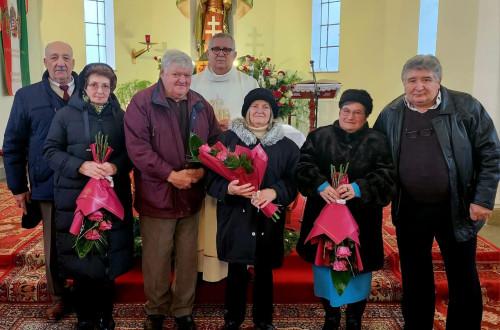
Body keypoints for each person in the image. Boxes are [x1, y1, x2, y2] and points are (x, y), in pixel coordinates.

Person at [374, 55, 500, 330]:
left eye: (426, 79)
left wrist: (483, 198)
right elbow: (378, 159)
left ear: (439, 81)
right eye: (412, 80)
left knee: (462, 275)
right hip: (410, 208)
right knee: (415, 275)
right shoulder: (391, 114)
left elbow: (491, 153)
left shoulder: (466, 107)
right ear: (404, 83)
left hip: (457, 206)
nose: (418, 86)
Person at [124, 49, 221, 330]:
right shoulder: (142, 103)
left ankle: (182, 310)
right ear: (162, 74)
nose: (182, 80)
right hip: (157, 195)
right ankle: (155, 310)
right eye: (176, 74)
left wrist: (203, 170)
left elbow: (215, 142)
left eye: (187, 75)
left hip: (191, 194)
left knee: (188, 257)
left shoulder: (200, 104)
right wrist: (169, 175)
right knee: (157, 257)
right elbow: (138, 149)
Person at [43, 63, 134, 330]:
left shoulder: (121, 116)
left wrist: (115, 166)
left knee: (106, 257)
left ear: (111, 89)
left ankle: (106, 315)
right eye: (94, 84)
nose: (100, 90)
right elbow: (50, 151)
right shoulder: (65, 115)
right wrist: (80, 166)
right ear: (84, 86)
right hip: (76, 196)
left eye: (105, 86)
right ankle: (85, 317)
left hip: (111, 195)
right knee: (83, 258)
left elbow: (131, 153)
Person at [295, 89, 396, 330]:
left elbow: (387, 175)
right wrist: (320, 185)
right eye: (346, 110)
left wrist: (360, 188)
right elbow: (302, 166)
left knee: (358, 269)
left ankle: (354, 317)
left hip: (362, 218)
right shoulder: (320, 136)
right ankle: (330, 316)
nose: (350, 116)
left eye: (357, 112)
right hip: (323, 216)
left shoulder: (378, 141)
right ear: (339, 111)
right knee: (325, 266)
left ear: (366, 116)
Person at [207, 88, 300, 330]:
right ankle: (232, 317)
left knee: (264, 269)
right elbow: (210, 179)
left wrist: (275, 192)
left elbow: (294, 180)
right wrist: (229, 188)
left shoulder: (287, 146)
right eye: (255, 107)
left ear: (272, 114)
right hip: (236, 215)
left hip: (268, 218)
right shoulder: (227, 141)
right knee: (236, 268)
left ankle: (263, 319)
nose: (259, 111)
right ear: (246, 110)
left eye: (265, 108)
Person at [2, 41, 77, 321]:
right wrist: (18, 187)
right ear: (45, 62)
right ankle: (58, 296)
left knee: (88, 237)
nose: (61, 62)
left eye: (66, 57)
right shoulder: (27, 96)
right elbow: (13, 143)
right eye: (54, 57)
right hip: (48, 185)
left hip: (88, 185)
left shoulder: (93, 89)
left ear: (74, 61)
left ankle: (85, 292)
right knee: (54, 244)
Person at [191, 32, 259, 282]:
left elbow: (259, 120)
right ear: (207, 52)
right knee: (205, 216)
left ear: (235, 55)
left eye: (226, 50)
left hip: (237, 162)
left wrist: (234, 126)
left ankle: (237, 266)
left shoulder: (249, 83)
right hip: (202, 160)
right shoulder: (193, 82)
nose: (220, 53)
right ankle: (204, 267)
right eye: (216, 49)